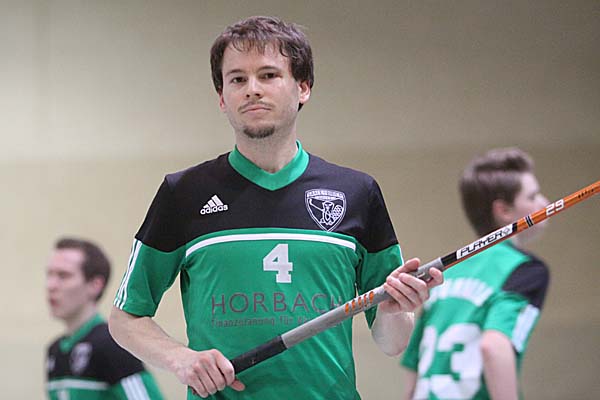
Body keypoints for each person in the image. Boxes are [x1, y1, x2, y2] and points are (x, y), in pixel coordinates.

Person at [108, 16, 443, 399]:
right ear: (222, 98)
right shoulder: (182, 193)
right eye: (237, 79)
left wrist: (394, 309)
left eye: (268, 75)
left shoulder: (358, 192)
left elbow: (394, 341)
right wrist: (180, 359)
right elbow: (125, 317)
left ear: (303, 88)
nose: (252, 89)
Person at [401, 148, 551, 400]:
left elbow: (414, 372)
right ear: (504, 210)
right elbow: (493, 346)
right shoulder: (524, 269)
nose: (544, 203)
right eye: (533, 196)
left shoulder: (443, 275)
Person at [45, 237, 164, 399]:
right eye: (49, 274)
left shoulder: (113, 344)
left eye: (63, 275)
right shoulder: (54, 351)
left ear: (95, 285)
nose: (51, 285)